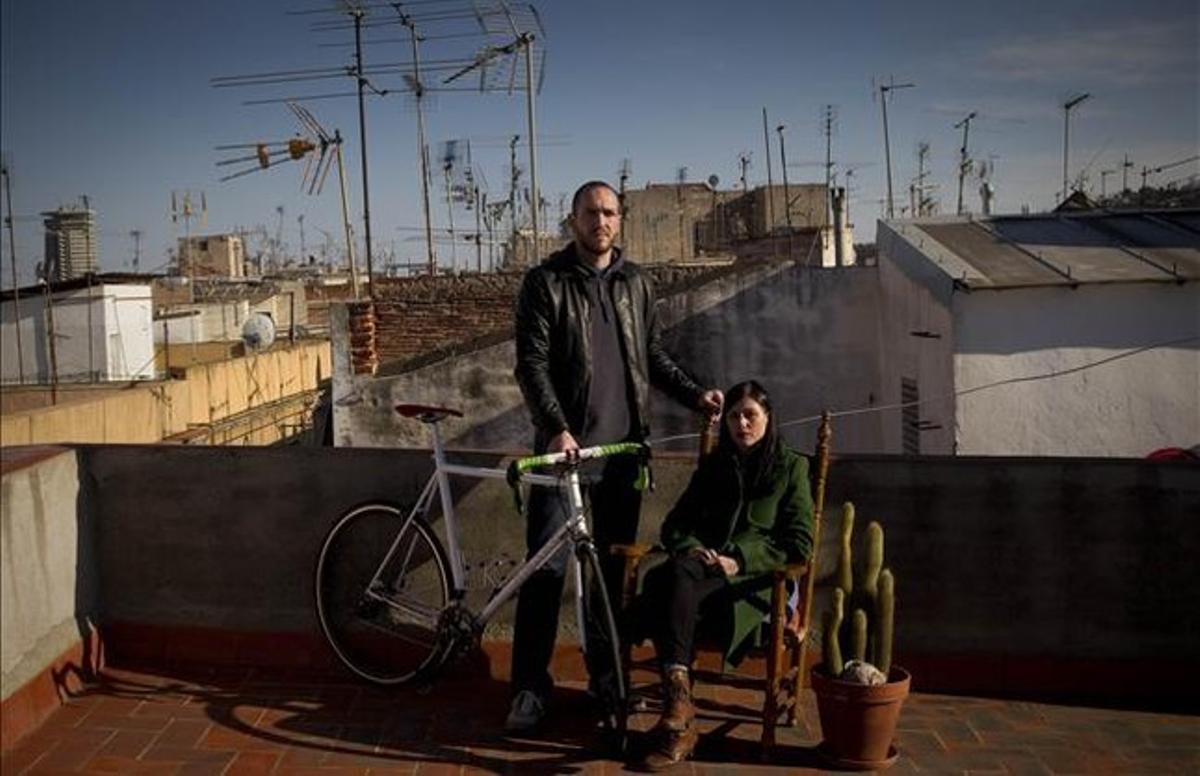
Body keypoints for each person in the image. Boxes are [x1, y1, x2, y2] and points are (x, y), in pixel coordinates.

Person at [508, 180, 723, 731]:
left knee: (610, 578)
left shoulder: (636, 284)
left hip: (624, 456)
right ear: (573, 219)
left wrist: (696, 395)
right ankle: (530, 687)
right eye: (589, 212)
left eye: (608, 212)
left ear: (620, 220)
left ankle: (608, 680)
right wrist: (556, 429)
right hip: (565, 460)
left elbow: (650, 355)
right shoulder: (545, 282)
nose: (600, 221)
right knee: (547, 572)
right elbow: (530, 365)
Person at [632, 380, 815, 769]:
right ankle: (680, 710)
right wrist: (694, 546)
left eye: (750, 415)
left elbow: (800, 544)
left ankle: (678, 713)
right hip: (703, 574)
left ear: (768, 418)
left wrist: (741, 560)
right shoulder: (715, 464)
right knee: (678, 569)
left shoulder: (791, 466)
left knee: (662, 587)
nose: (741, 424)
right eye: (733, 416)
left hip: (756, 583)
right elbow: (674, 526)